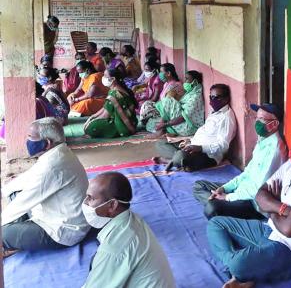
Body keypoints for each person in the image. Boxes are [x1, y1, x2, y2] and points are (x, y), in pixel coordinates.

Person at [207, 121, 291, 288]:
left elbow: (289, 230)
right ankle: (243, 273)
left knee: (239, 264)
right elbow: (260, 194)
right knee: (216, 224)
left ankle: (242, 270)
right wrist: (282, 208)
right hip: (271, 230)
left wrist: (270, 208)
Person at [2, 118, 90, 257]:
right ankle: (18, 233)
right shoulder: (58, 153)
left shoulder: (53, 166)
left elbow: (25, 200)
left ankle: (13, 237)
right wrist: (5, 190)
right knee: (14, 193)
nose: (28, 141)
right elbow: (27, 179)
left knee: (3, 233)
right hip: (56, 214)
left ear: (47, 143)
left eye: (31, 138)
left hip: (63, 231)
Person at [193, 103, 288, 220]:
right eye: (257, 118)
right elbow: (246, 174)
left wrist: (228, 197)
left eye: (262, 119)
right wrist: (224, 189)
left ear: (274, 124)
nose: (257, 122)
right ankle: (216, 200)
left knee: (212, 208)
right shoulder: (263, 141)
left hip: (252, 202)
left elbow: (257, 190)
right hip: (240, 190)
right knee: (199, 185)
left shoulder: (275, 150)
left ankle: (217, 203)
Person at [82, 172, 175, 288]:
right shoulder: (133, 220)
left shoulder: (113, 249)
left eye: (91, 198)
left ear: (112, 205)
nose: (85, 202)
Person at [155, 83, 236, 172]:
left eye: (217, 97)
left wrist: (200, 148)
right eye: (211, 97)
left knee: (183, 156)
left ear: (226, 99)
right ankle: (177, 160)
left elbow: (223, 146)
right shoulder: (215, 112)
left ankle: (174, 159)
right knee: (161, 143)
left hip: (208, 155)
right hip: (193, 146)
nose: (213, 100)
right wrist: (190, 142)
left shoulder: (226, 118)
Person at [148, 70, 205, 137]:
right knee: (151, 123)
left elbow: (183, 117)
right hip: (184, 123)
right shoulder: (191, 92)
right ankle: (163, 129)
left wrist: (165, 124)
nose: (185, 81)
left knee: (168, 101)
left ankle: (161, 129)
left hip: (189, 127)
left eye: (187, 79)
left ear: (194, 82)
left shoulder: (195, 97)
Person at [84, 69, 138, 138]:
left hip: (122, 124)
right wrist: (93, 116)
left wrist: (93, 121)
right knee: (91, 123)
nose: (103, 78)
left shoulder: (115, 94)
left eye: (105, 76)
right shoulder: (113, 90)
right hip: (130, 121)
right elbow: (105, 107)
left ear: (113, 79)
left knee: (91, 128)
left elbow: (105, 115)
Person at [138, 63, 184, 132]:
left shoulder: (175, 85)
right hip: (162, 108)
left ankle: (158, 126)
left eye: (162, 72)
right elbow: (160, 100)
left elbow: (167, 105)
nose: (160, 74)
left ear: (168, 73)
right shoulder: (166, 83)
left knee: (150, 122)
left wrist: (157, 109)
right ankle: (146, 122)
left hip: (170, 111)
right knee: (147, 104)